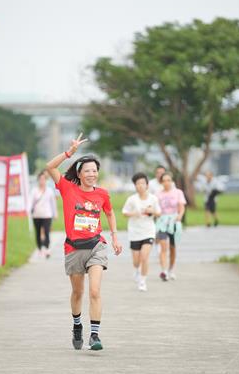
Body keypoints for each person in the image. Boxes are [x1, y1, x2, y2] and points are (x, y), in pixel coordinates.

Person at [46, 134, 122, 351]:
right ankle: (77, 325)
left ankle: (95, 335)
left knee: (95, 291)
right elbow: (50, 167)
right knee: (78, 293)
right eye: (87, 171)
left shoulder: (102, 194)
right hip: (73, 248)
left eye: (95, 171)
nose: (92, 174)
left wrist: (115, 236)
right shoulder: (68, 188)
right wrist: (69, 153)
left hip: (96, 245)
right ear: (79, 173)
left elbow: (110, 212)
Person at [122, 172, 161, 292]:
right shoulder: (132, 199)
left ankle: (143, 281)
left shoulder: (153, 198)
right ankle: (136, 270)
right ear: (135, 186)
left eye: (143, 183)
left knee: (144, 257)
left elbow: (159, 213)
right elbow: (124, 212)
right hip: (134, 232)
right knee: (136, 260)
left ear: (147, 185)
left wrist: (152, 210)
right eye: (138, 183)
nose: (140, 185)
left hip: (148, 231)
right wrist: (134, 213)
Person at [156, 172, 186, 281]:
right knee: (163, 247)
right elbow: (156, 208)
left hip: (174, 221)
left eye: (169, 180)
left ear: (172, 181)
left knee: (172, 248)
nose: (166, 183)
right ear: (161, 182)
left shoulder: (178, 192)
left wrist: (180, 216)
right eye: (164, 180)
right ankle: (164, 271)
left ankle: (171, 269)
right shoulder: (158, 194)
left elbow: (181, 207)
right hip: (162, 222)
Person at [30, 170, 58, 258]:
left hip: (47, 215)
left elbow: (53, 203)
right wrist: (28, 210)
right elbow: (30, 202)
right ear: (38, 180)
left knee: (46, 232)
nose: (42, 181)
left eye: (43, 179)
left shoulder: (49, 191)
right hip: (36, 215)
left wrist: (55, 214)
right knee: (38, 232)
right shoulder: (34, 191)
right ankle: (39, 248)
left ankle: (47, 248)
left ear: (46, 180)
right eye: (40, 179)